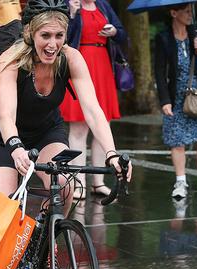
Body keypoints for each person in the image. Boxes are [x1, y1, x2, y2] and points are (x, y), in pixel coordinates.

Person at [0, 0, 132, 269]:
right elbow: (4, 116)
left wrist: (112, 153)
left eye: (60, 35)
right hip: (1, 139)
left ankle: (42, 249)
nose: (53, 43)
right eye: (46, 35)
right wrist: (15, 147)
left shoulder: (71, 59)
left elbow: (92, 109)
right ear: (31, 33)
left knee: (65, 185)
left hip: (47, 131)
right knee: (3, 213)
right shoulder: (11, 60)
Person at [154, 3, 197, 200]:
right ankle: (181, 182)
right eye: (185, 11)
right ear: (173, 13)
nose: (189, 15)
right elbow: (159, 71)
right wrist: (164, 100)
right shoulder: (163, 37)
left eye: (189, 11)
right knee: (177, 142)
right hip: (176, 94)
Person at [60, 0, 126, 199]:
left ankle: (99, 182)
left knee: (102, 124)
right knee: (78, 128)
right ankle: (78, 182)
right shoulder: (68, 4)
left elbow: (123, 34)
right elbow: (64, 39)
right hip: (80, 64)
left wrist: (114, 31)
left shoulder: (104, 6)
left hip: (103, 67)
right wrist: (72, 14)